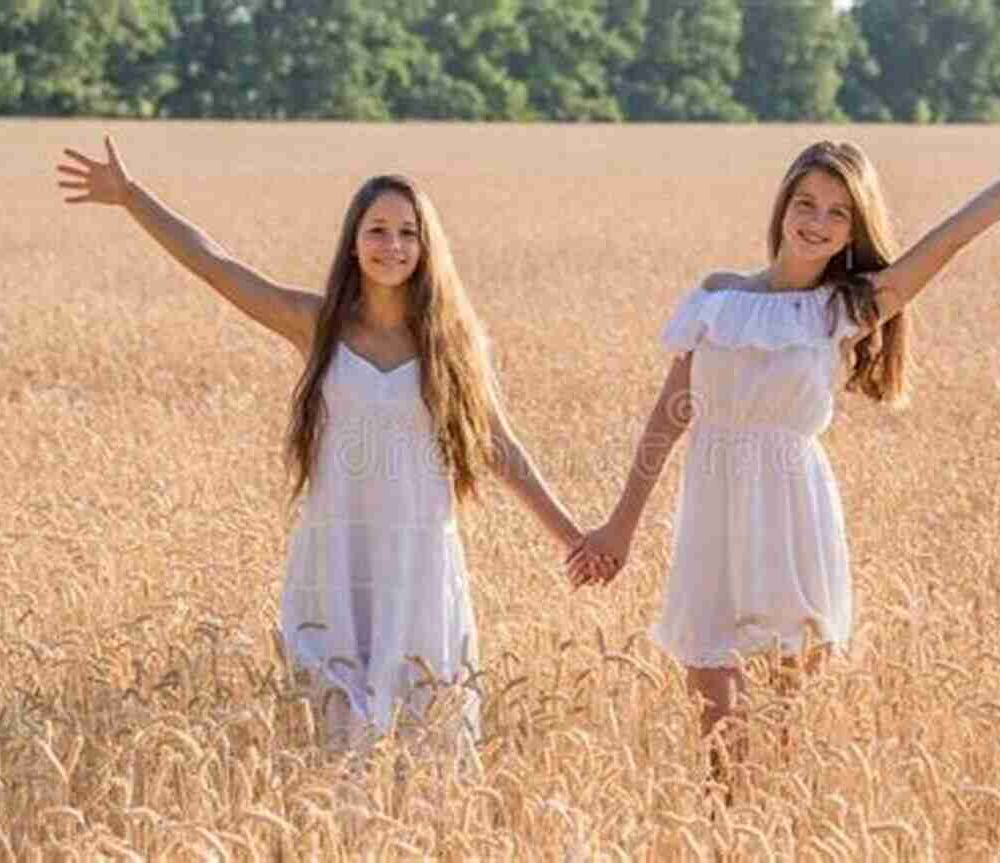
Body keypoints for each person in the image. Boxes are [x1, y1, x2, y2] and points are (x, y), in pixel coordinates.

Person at [568, 99, 1000, 762]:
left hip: (792, 515)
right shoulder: (716, 296)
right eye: (806, 203)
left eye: (838, 213)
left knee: (777, 732)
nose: (818, 222)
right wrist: (619, 527)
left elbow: (951, 237)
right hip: (711, 513)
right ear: (782, 206)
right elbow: (669, 416)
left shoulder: (847, 307)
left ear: (852, 229)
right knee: (717, 733)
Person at [56, 136, 610, 754]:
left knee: (427, 737)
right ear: (353, 240)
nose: (392, 246)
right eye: (378, 230)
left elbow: (500, 447)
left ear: (427, 248)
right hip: (335, 553)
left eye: (407, 233)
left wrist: (573, 539)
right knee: (333, 735)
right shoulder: (317, 324)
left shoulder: (455, 345)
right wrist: (133, 198)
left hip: (418, 561)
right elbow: (218, 266)